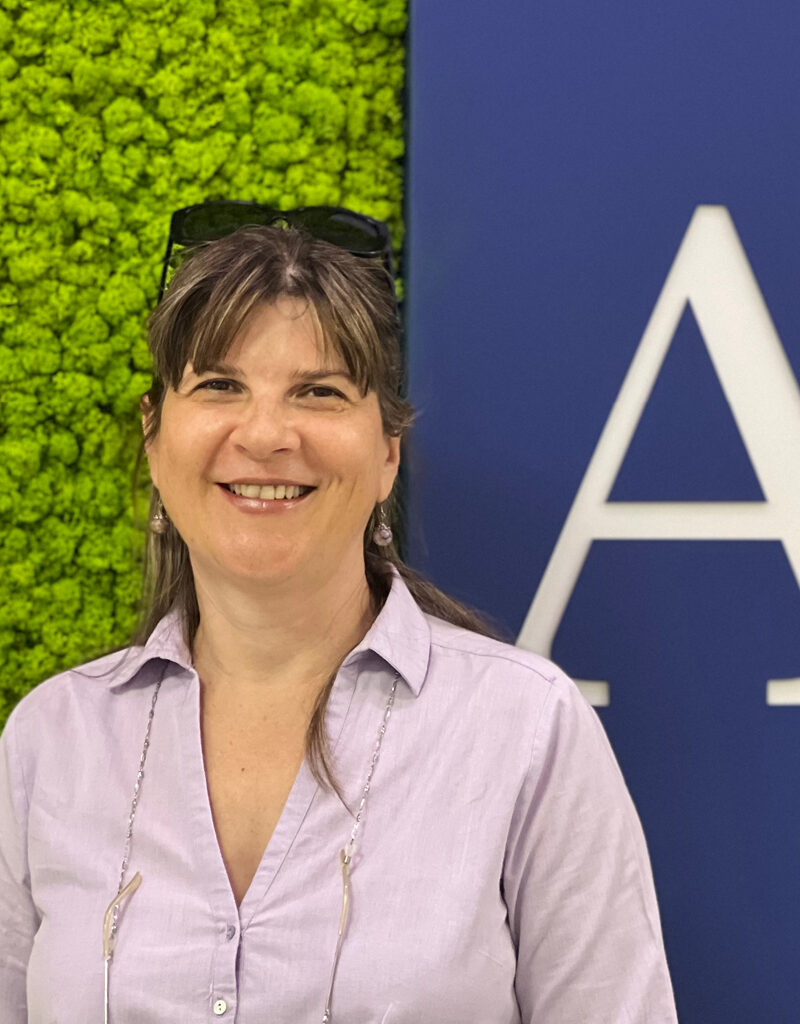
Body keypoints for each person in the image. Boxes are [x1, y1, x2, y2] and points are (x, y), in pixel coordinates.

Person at [0, 206, 678, 1023]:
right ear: (154, 435)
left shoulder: (526, 730)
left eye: (318, 392)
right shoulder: (50, 743)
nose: (265, 434)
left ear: (388, 451)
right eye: (219, 385)